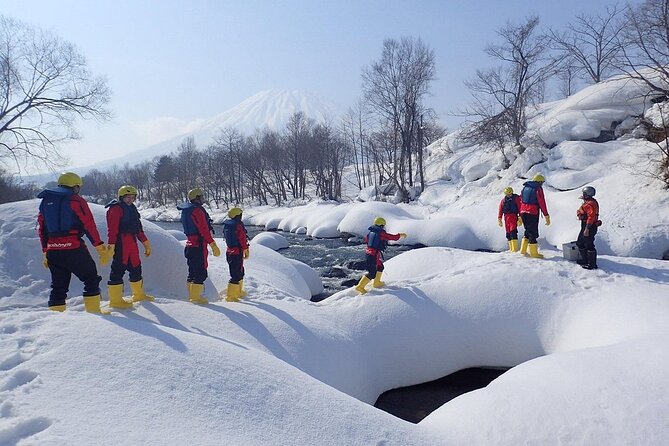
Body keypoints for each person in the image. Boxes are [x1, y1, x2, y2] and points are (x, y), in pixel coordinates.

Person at [37, 172, 111, 313]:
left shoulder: (45, 202)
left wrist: (45, 251)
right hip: (74, 249)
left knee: (58, 287)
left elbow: (42, 229)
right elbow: (88, 224)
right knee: (91, 279)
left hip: (53, 251)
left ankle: (56, 319)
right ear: (75, 187)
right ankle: (94, 313)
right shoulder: (76, 201)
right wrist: (99, 246)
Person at [105, 185, 153, 309]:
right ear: (121, 197)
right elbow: (112, 229)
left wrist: (145, 243)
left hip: (132, 242)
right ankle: (115, 300)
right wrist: (111, 245)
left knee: (136, 267)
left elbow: (138, 228)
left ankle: (138, 294)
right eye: (128, 197)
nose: (130, 200)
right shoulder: (115, 209)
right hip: (121, 242)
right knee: (118, 269)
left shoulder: (132, 209)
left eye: (133, 198)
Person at [176, 188, 220, 304]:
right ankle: (195, 298)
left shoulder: (186, 211)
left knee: (192, 272)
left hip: (190, 245)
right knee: (200, 273)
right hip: (198, 245)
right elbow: (203, 229)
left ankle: (192, 296)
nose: (203, 199)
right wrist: (212, 243)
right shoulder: (197, 211)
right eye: (201, 197)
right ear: (197, 198)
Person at [355, 217, 407, 294]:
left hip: (371, 254)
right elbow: (392, 237)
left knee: (380, 267)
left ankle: (376, 283)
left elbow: (367, 241)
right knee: (372, 273)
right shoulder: (381, 233)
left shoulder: (370, 232)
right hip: (373, 255)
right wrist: (401, 235)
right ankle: (360, 286)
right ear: (381, 225)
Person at [519, 174, 551, 258]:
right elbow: (541, 202)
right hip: (532, 213)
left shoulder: (525, 187)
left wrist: (519, 214)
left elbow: (520, 200)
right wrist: (546, 215)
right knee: (533, 232)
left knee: (527, 230)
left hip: (523, 212)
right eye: (542, 182)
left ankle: (523, 250)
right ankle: (534, 253)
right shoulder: (538, 189)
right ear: (539, 182)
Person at [222, 207, 250, 302]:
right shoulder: (238, 225)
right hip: (237, 252)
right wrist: (246, 249)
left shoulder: (227, 225)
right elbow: (242, 238)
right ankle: (231, 296)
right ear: (238, 216)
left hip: (229, 252)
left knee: (239, 271)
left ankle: (238, 292)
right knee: (236, 274)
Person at [576, 186, 601, 270]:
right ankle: (585, 260)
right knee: (581, 242)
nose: (583, 195)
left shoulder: (590, 204)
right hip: (586, 224)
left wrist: (587, 229)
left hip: (589, 226)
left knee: (589, 244)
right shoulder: (589, 202)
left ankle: (592, 264)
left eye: (584, 193)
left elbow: (591, 217)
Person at [498, 186, 523, 252]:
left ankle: (514, 249)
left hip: (513, 217)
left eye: (510, 194)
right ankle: (511, 249)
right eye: (508, 194)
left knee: (513, 231)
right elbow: (500, 209)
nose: (509, 195)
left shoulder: (516, 198)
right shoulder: (503, 201)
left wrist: (520, 217)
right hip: (506, 218)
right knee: (508, 233)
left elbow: (520, 207)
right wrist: (499, 218)